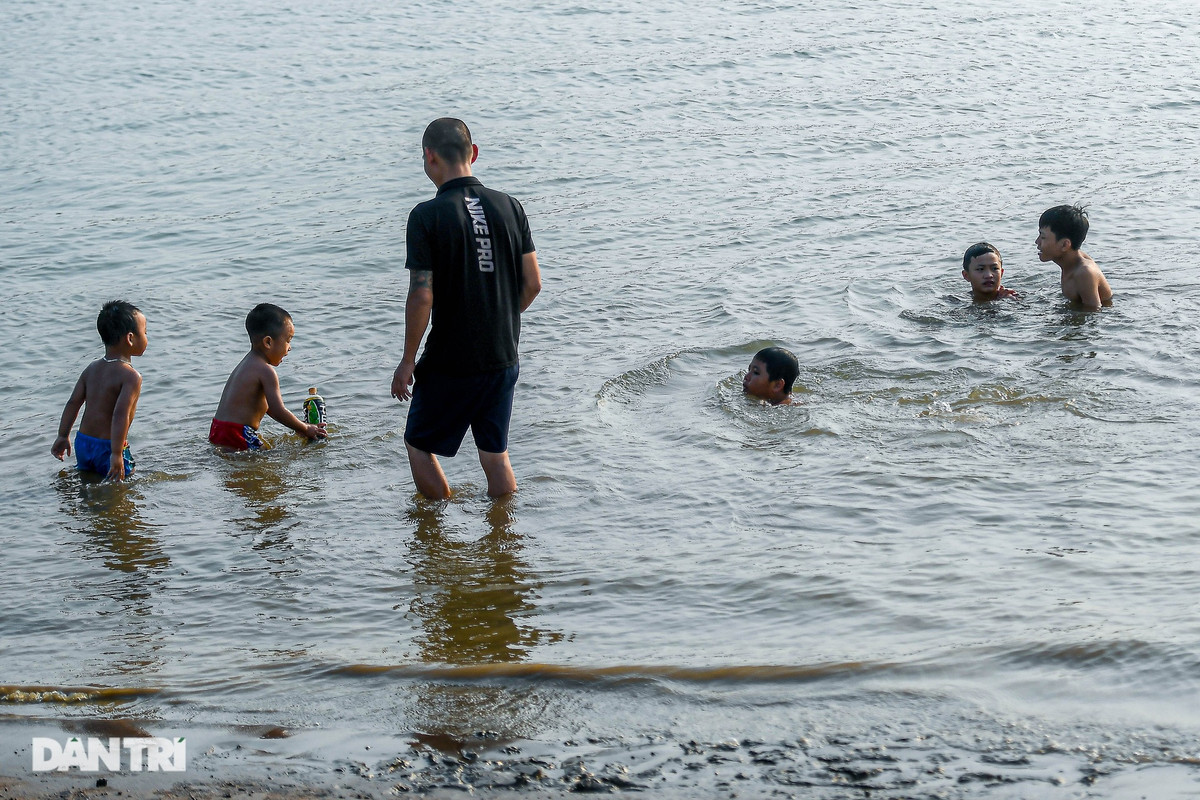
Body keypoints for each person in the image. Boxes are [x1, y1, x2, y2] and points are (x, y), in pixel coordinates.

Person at [391, 118, 542, 500]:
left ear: (429, 157)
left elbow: (421, 294)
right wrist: (497, 318)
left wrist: (407, 361)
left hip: (451, 360)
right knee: (494, 452)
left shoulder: (426, 216)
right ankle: (503, 527)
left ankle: (436, 526)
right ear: (473, 153)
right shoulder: (510, 206)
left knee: (418, 444)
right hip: (503, 355)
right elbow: (533, 283)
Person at [51, 300, 148, 480]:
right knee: (125, 480)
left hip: (83, 443)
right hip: (108, 446)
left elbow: (73, 402)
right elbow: (120, 415)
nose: (146, 337)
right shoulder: (131, 377)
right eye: (145, 332)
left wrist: (62, 436)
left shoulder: (92, 368)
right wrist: (116, 453)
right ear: (130, 338)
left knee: (87, 479)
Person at [209, 303, 326, 450]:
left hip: (218, 430)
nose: (289, 347)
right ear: (268, 342)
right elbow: (278, 410)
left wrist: (298, 426)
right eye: (288, 340)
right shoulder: (266, 371)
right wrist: (306, 428)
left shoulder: (246, 364)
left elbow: (267, 407)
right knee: (271, 458)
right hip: (237, 434)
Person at [1036, 204, 1112, 311]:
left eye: (1043, 237)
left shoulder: (1084, 272)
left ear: (1064, 245)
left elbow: (1093, 311)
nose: (1037, 242)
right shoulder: (1070, 262)